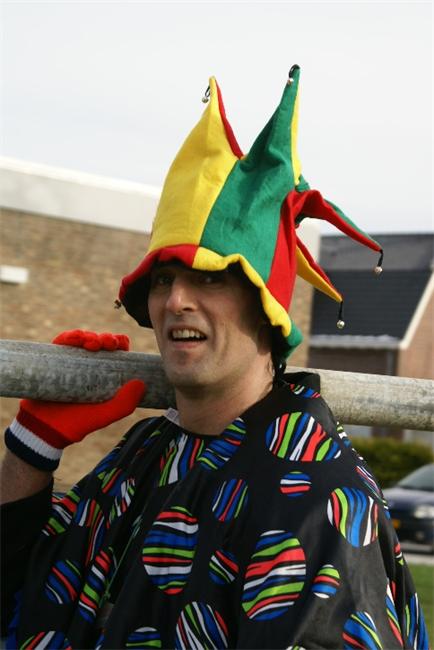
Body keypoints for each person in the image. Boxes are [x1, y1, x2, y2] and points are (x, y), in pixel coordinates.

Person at [1, 66, 428, 649]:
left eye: (210, 277)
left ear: (267, 307)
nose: (175, 299)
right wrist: (33, 446)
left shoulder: (319, 503)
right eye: (163, 278)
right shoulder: (146, 452)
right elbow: (20, 593)